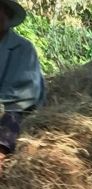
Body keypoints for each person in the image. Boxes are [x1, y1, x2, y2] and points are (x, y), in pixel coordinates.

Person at [0, 0, 45, 173]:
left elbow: (24, 91)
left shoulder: (23, 47)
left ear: (7, 16)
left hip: (16, 107)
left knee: (10, 120)